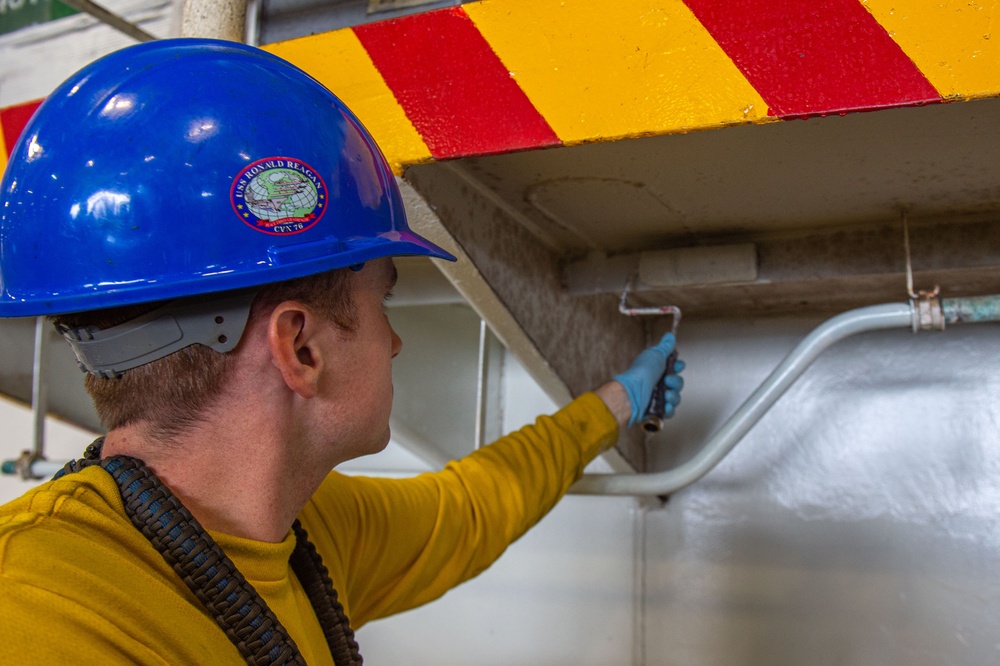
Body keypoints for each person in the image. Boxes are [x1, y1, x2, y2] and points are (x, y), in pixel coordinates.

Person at [0, 39, 683, 665]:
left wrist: (618, 399)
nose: (394, 341)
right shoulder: (39, 617)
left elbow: (472, 510)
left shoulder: (301, 527)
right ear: (300, 347)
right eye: (379, 304)